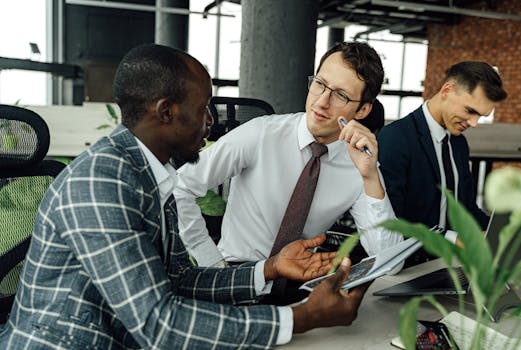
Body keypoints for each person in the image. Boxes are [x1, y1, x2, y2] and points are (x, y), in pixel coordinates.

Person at [0, 44, 371, 349]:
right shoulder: (101, 183)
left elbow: (179, 280)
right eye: (202, 109)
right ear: (166, 112)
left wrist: (268, 269)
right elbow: (158, 325)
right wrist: (301, 318)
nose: (211, 122)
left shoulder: (150, 175)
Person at [174, 41, 402, 269]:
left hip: (299, 283)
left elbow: (389, 262)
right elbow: (179, 187)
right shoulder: (261, 134)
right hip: (238, 270)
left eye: (341, 95)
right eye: (320, 84)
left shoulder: (359, 164)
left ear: (362, 110)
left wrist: (370, 176)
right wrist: (211, 262)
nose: (322, 102)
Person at [377, 61, 507, 266]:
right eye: (470, 111)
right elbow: (390, 221)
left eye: (480, 117)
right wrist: (453, 238)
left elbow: (467, 210)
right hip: (407, 267)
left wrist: (501, 232)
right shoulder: (395, 139)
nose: (473, 123)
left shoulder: (458, 143)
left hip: (451, 266)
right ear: (447, 90)